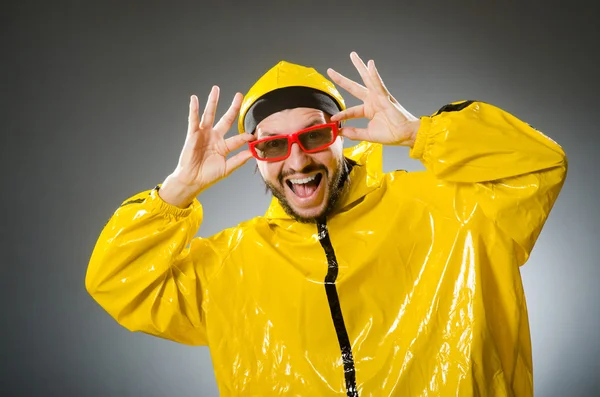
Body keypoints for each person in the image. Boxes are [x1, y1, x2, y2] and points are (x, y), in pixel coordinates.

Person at [85, 52, 568, 396]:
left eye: (314, 135)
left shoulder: (449, 210)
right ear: (254, 157)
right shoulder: (230, 265)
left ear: (341, 135)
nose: (296, 160)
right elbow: (118, 284)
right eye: (272, 145)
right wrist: (177, 191)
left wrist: (421, 132)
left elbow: (538, 165)